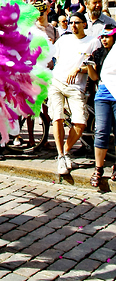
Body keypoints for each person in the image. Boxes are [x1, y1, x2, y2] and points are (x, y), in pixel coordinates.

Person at [48, 12, 100, 175]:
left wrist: (79, 69)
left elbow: (94, 66)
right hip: (56, 82)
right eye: (71, 22)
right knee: (57, 117)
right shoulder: (64, 40)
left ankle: (65, 150)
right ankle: (62, 156)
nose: (73, 25)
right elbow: (53, 58)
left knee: (80, 122)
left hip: (76, 87)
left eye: (77, 22)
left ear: (84, 24)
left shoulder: (93, 42)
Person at [87, 25, 116, 186]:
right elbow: (94, 77)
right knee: (101, 131)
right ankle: (98, 169)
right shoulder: (98, 53)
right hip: (103, 95)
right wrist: (90, 65)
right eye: (102, 37)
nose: (105, 40)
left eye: (108, 37)